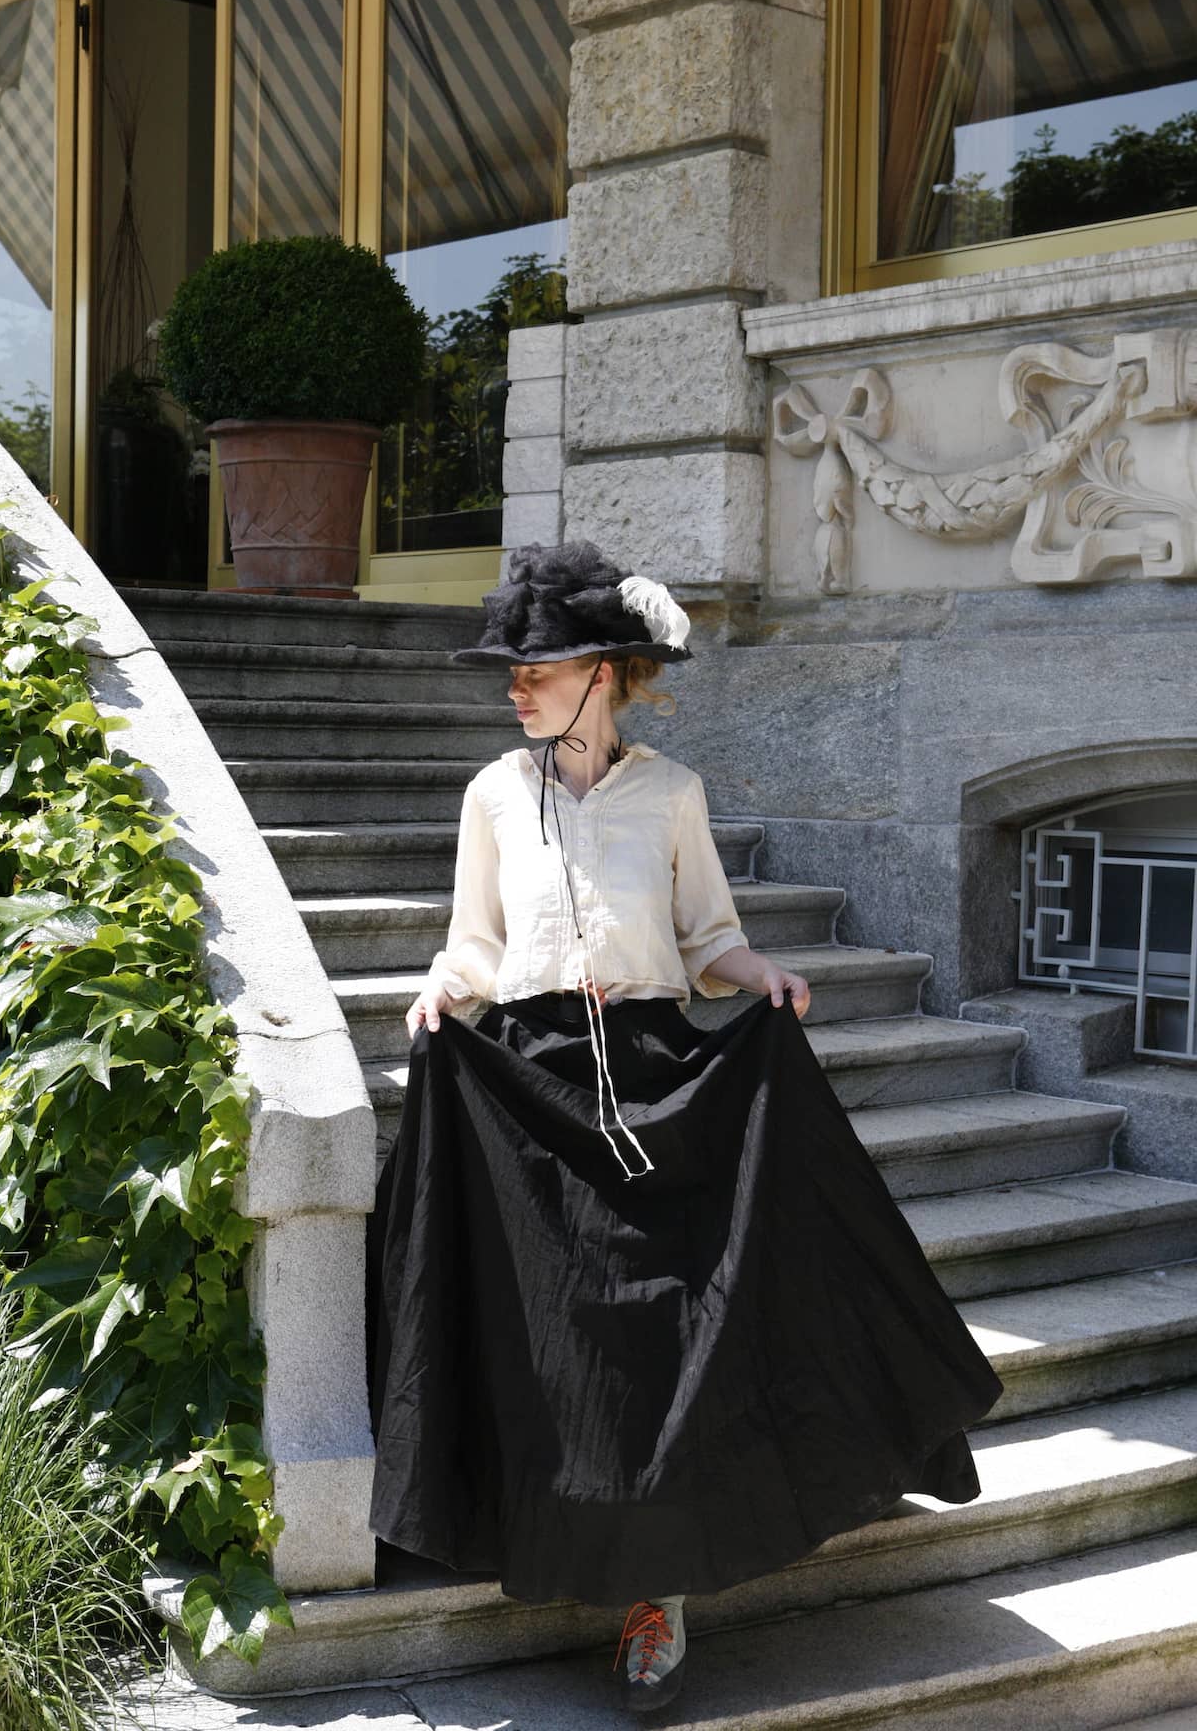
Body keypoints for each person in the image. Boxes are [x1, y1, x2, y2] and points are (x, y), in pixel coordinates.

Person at [366, 540, 1003, 1716]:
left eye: (539, 666)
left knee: (668, 1331)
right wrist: (437, 994)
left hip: (660, 1077)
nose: (517, 685)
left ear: (603, 673)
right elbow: (475, 944)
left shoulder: (671, 793)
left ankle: (656, 1590)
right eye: (511, 668)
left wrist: (760, 971)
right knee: (567, 1339)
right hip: (529, 1083)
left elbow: (707, 937)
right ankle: (555, 1536)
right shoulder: (493, 794)